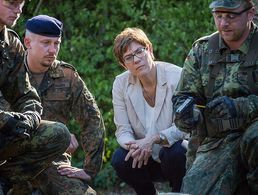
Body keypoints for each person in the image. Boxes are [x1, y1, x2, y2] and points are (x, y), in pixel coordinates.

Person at [9, 15, 105, 195]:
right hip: (10, 161)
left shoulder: (67, 76)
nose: (52, 49)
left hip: (52, 162)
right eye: (46, 43)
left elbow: (92, 120)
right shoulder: (9, 72)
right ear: (27, 42)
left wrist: (90, 169)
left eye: (56, 43)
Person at [172, 0, 258, 194]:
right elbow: (184, 96)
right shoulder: (203, 50)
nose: (223, 23)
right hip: (218, 139)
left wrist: (240, 107)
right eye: (218, 16)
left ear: (250, 13)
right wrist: (187, 115)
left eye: (230, 16)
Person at [0, 1, 71, 194]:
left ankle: (4, 179)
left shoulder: (11, 44)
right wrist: (5, 120)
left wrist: (30, 118)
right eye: (12, 3)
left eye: (21, 3)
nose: (19, 9)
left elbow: (25, 94)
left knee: (58, 134)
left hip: (4, 133)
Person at [111, 27, 188, 195]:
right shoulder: (120, 84)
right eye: (129, 57)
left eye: (139, 51)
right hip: (145, 158)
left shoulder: (177, 76)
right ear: (124, 64)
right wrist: (134, 146)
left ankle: (179, 192)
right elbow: (122, 129)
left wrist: (153, 139)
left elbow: (186, 127)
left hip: (176, 157)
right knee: (120, 158)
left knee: (176, 151)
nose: (136, 59)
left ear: (150, 49)